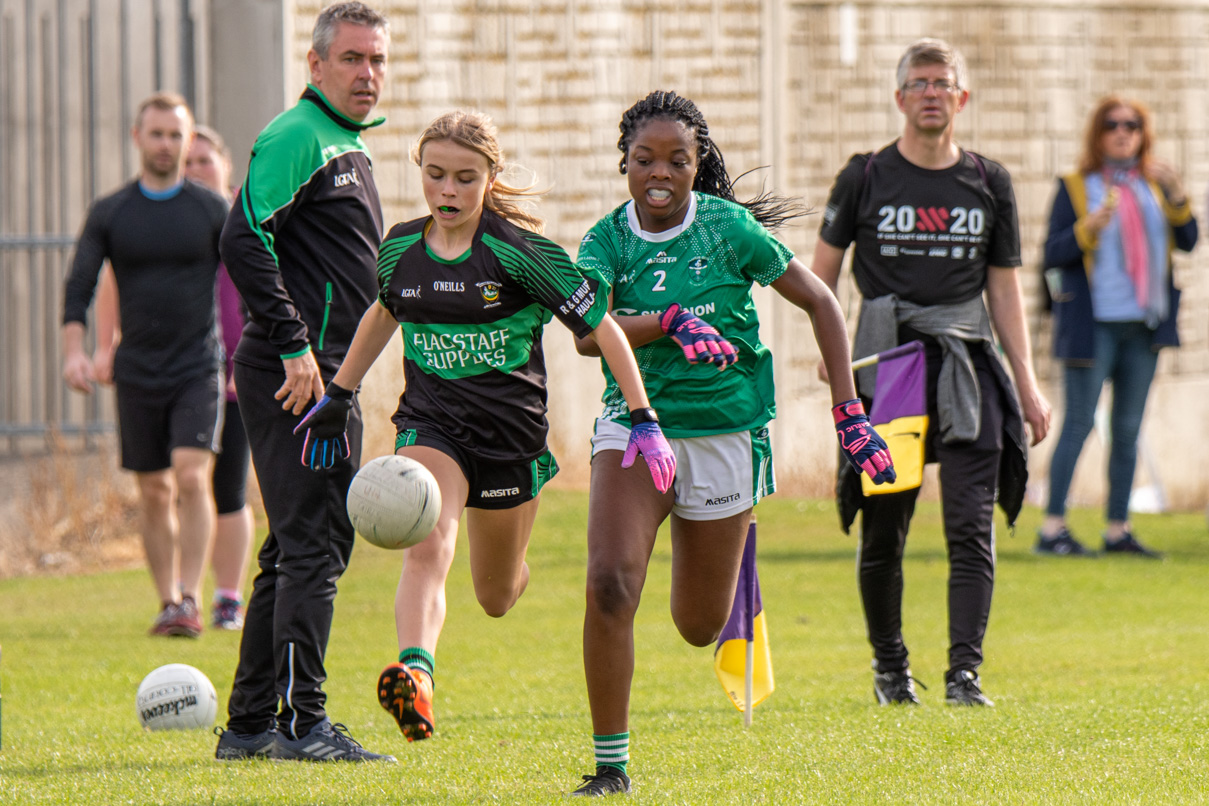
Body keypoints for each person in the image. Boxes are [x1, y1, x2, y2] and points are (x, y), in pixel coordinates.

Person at [295, 109, 676, 751]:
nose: (448, 191)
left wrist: (644, 417)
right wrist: (339, 392)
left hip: (511, 441)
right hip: (432, 424)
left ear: (489, 179)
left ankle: (513, 569)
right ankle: (416, 674)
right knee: (428, 537)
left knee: (497, 594)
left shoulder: (521, 253)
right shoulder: (399, 249)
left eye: (465, 179)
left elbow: (602, 328)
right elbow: (382, 315)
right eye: (436, 175)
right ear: (420, 171)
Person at [567, 90, 895, 797]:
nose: (659, 172)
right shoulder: (605, 241)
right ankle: (609, 766)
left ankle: (732, 542)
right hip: (637, 423)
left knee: (696, 624)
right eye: (643, 159)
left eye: (677, 160)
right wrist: (670, 321)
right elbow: (587, 334)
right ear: (623, 162)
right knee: (609, 583)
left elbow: (821, 301)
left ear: (697, 164)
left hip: (724, 433)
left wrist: (848, 413)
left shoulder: (728, 229)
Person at [810, 39, 1052, 709]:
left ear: (961, 98)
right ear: (899, 98)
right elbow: (818, 283)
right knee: (885, 524)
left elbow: (1003, 288)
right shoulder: (863, 177)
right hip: (890, 368)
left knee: (969, 527)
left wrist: (1026, 382)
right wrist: (837, 376)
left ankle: (963, 676)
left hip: (968, 365)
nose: (930, 93)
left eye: (942, 83)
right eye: (918, 82)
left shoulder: (988, 181)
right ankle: (890, 671)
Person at [213, 2, 395, 763]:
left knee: (294, 549)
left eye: (378, 60)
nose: (368, 74)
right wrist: (293, 345)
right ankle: (302, 724)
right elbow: (240, 235)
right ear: (316, 65)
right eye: (353, 59)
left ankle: (253, 723)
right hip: (298, 379)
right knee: (313, 547)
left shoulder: (347, 146)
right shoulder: (297, 135)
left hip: (330, 381)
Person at [61, 92, 228, 640]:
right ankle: (167, 602)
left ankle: (191, 598)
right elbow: (80, 285)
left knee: (190, 473)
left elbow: (252, 278)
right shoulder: (112, 212)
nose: (166, 145)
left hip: (198, 365)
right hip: (137, 370)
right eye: (156, 134)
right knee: (154, 490)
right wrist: (76, 352)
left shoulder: (209, 209)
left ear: (186, 141)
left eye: (176, 135)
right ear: (138, 138)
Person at [93, 126, 256, 630]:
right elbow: (114, 282)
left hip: (239, 371)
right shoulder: (176, 220)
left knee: (227, 488)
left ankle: (226, 596)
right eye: (191, 163)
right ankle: (182, 598)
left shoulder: (240, 222)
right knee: (177, 483)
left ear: (226, 166)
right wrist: (105, 346)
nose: (196, 170)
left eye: (206, 161)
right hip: (187, 369)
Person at [1037, 97, 1196, 559]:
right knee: (1079, 425)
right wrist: (1088, 228)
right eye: (1112, 125)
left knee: (1127, 430)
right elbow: (1051, 252)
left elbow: (1188, 242)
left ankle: (1117, 529)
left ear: (1143, 134)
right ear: (1097, 134)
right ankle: (1052, 528)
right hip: (1093, 325)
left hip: (1143, 327)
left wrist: (1179, 196)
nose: (1123, 133)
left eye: (1133, 125)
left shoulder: (1155, 186)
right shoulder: (1075, 186)